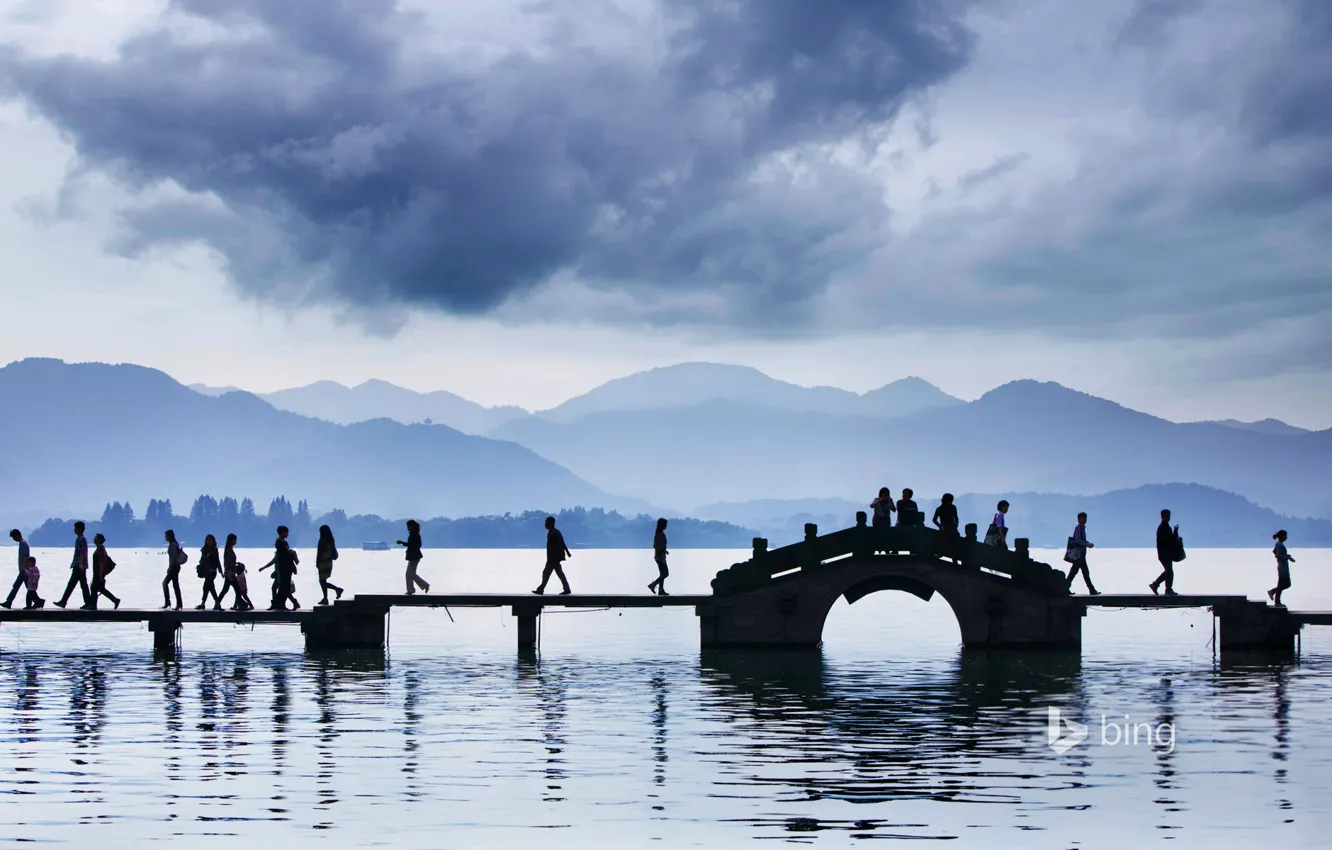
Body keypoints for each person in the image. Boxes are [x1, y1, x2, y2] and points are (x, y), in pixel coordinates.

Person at [261, 525, 300, 610]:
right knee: (283, 588)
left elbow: (287, 555)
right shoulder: (279, 543)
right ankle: (280, 604)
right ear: (282, 533)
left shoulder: (284, 542)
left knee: (284, 588)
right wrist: (292, 554)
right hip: (283, 568)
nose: (287, 534)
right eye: (286, 532)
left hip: (286, 568)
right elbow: (285, 555)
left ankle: (281, 604)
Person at [55, 520, 92, 609]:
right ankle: (88, 602)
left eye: (75, 528)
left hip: (79, 565)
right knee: (81, 584)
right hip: (78, 565)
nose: (74, 530)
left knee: (75, 584)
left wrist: (80, 565)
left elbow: (81, 553)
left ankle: (64, 601)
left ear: (79, 529)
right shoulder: (79, 539)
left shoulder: (82, 539)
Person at [533, 516, 572, 595]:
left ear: (550, 523)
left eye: (546, 522)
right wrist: (567, 552)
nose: (545, 524)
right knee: (558, 573)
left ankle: (541, 589)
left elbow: (561, 543)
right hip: (552, 557)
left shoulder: (555, 533)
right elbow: (562, 542)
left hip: (553, 558)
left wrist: (566, 552)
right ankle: (566, 588)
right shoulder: (552, 532)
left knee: (546, 573)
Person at [1065, 512, 1100, 595]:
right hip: (1079, 555)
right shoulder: (1078, 528)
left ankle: (1064, 588)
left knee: (1074, 572)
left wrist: (1088, 543)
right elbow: (1077, 540)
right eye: (1083, 518)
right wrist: (1087, 544)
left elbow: (1081, 540)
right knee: (1084, 572)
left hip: (1080, 554)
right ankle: (1092, 590)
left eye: (1085, 518)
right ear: (1079, 519)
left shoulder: (1082, 528)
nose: (1085, 520)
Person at [1150, 509, 1180, 596]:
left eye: (1168, 516)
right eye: (1166, 516)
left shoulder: (1166, 527)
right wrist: (1175, 535)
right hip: (1164, 553)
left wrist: (1175, 532)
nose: (1168, 518)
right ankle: (1168, 590)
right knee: (1169, 571)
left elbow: (1170, 539)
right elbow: (1168, 540)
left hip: (1165, 553)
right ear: (1162, 517)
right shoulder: (1163, 527)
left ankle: (1155, 584)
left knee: (1168, 571)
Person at [220, 533, 253, 611]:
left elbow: (229, 562)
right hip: (230, 573)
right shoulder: (229, 550)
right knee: (237, 590)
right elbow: (228, 563)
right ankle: (241, 605)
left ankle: (218, 603)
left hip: (229, 572)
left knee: (226, 590)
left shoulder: (228, 549)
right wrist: (230, 572)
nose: (236, 541)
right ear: (232, 540)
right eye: (235, 540)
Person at [396, 520, 429, 595]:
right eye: (407, 526)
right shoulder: (413, 534)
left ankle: (424, 585)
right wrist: (403, 543)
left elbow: (417, 545)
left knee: (410, 574)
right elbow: (412, 544)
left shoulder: (415, 535)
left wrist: (403, 543)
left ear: (412, 526)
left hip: (415, 557)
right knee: (409, 574)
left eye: (409, 526)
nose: (407, 528)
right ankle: (411, 589)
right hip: (413, 556)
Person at [90, 533, 122, 609]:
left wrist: (101, 575)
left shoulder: (100, 549)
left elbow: (101, 563)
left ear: (98, 540)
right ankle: (115, 600)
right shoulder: (100, 548)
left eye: (95, 537)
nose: (94, 539)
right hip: (97, 573)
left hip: (98, 573)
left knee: (94, 588)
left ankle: (93, 606)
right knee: (100, 589)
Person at [316, 524, 344, 605]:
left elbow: (319, 553)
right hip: (328, 563)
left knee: (322, 581)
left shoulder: (322, 541)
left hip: (322, 562)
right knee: (323, 581)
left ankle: (327, 596)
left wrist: (317, 563)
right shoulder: (331, 541)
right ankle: (330, 594)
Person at [2, 529, 31, 609]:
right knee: (23, 587)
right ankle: (9, 602)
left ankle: (9, 602)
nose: (13, 539)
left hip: (24, 570)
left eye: (13, 537)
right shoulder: (23, 544)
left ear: (18, 535)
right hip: (24, 570)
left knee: (19, 587)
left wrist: (24, 568)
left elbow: (25, 557)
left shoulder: (23, 544)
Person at [195, 534, 223, 610]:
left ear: (213, 541)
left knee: (209, 587)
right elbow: (201, 560)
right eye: (207, 540)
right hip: (206, 571)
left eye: (210, 540)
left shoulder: (214, 550)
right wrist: (204, 557)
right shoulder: (204, 549)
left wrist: (221, 571)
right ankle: (208, 603)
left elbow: (217, 560)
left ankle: (215, 603)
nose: (209, 542)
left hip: (212, 571)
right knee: (207, 587)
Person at [1268, 530, 1295, 607]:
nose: (1286, 537)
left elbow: (1274, 552)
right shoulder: (1279, 545)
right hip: (1282, 567)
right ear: (1282, 536)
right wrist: (1288, 557)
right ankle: (1276, 599)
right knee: (1285, 584)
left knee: (1284, 584)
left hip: (1283, 566)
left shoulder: (1278, 544)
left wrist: (1286, 555)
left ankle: (1274, 595)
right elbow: (1278, 555)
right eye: (1285, 536)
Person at [163, 529, 185, 610]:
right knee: (175, 585)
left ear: (169, 536)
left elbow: (174, 556)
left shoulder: (173, 544)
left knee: (165, 583)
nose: (165, 537)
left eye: (166, 535)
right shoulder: (174, 544)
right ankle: (179, 604)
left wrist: (170, 567)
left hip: (174, 567)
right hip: (176, 566)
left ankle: (168, 602)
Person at [648, 517, 669, 596]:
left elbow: (655, 545)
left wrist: (664, 550)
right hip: (660, 557)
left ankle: (661, 590)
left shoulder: (658, 534)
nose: (666, 526)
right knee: (665, 574)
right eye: (665, 524)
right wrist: (662, 551)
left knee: (662, 574)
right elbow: (657, 545)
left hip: (659, 556)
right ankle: (653, 585)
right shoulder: (659, 534)